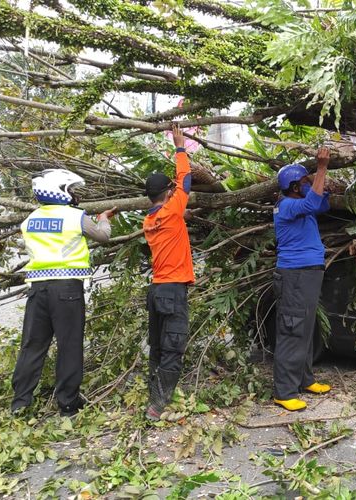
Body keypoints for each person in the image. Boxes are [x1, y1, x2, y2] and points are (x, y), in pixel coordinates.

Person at [11, 169, 116, 416]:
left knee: (33, 346)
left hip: (38, 289)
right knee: (69, 345)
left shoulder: (29, 220)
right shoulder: (74, 217)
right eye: (70, 190)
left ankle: (20, 403)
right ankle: (68, 404)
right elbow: (103, 236)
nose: (73, 195)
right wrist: (103, 218)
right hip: (67, 289)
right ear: (60, 191)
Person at [271, 147, 332, 412]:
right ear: (295, 187)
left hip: (306, 274)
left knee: (305, 328)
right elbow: (312, 203)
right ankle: (284, 391)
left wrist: (316, 184)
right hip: (294, 276)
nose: (308, 186)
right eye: (304, 183)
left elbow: (322, 203)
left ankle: (304, 379)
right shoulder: (286, 206)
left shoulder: (299, 204)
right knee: (292, 330)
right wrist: (321, 168)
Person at [142, 124, 194, 421]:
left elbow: (174, 206)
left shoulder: (149, 220)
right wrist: (179, 144)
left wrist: (181, 213)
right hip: (173, 291)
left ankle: (154, 394)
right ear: (168, 192)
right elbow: (185, 179)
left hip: (157, 290)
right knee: (173, 347)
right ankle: (158, 405)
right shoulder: (172, 211)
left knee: (159, 347)